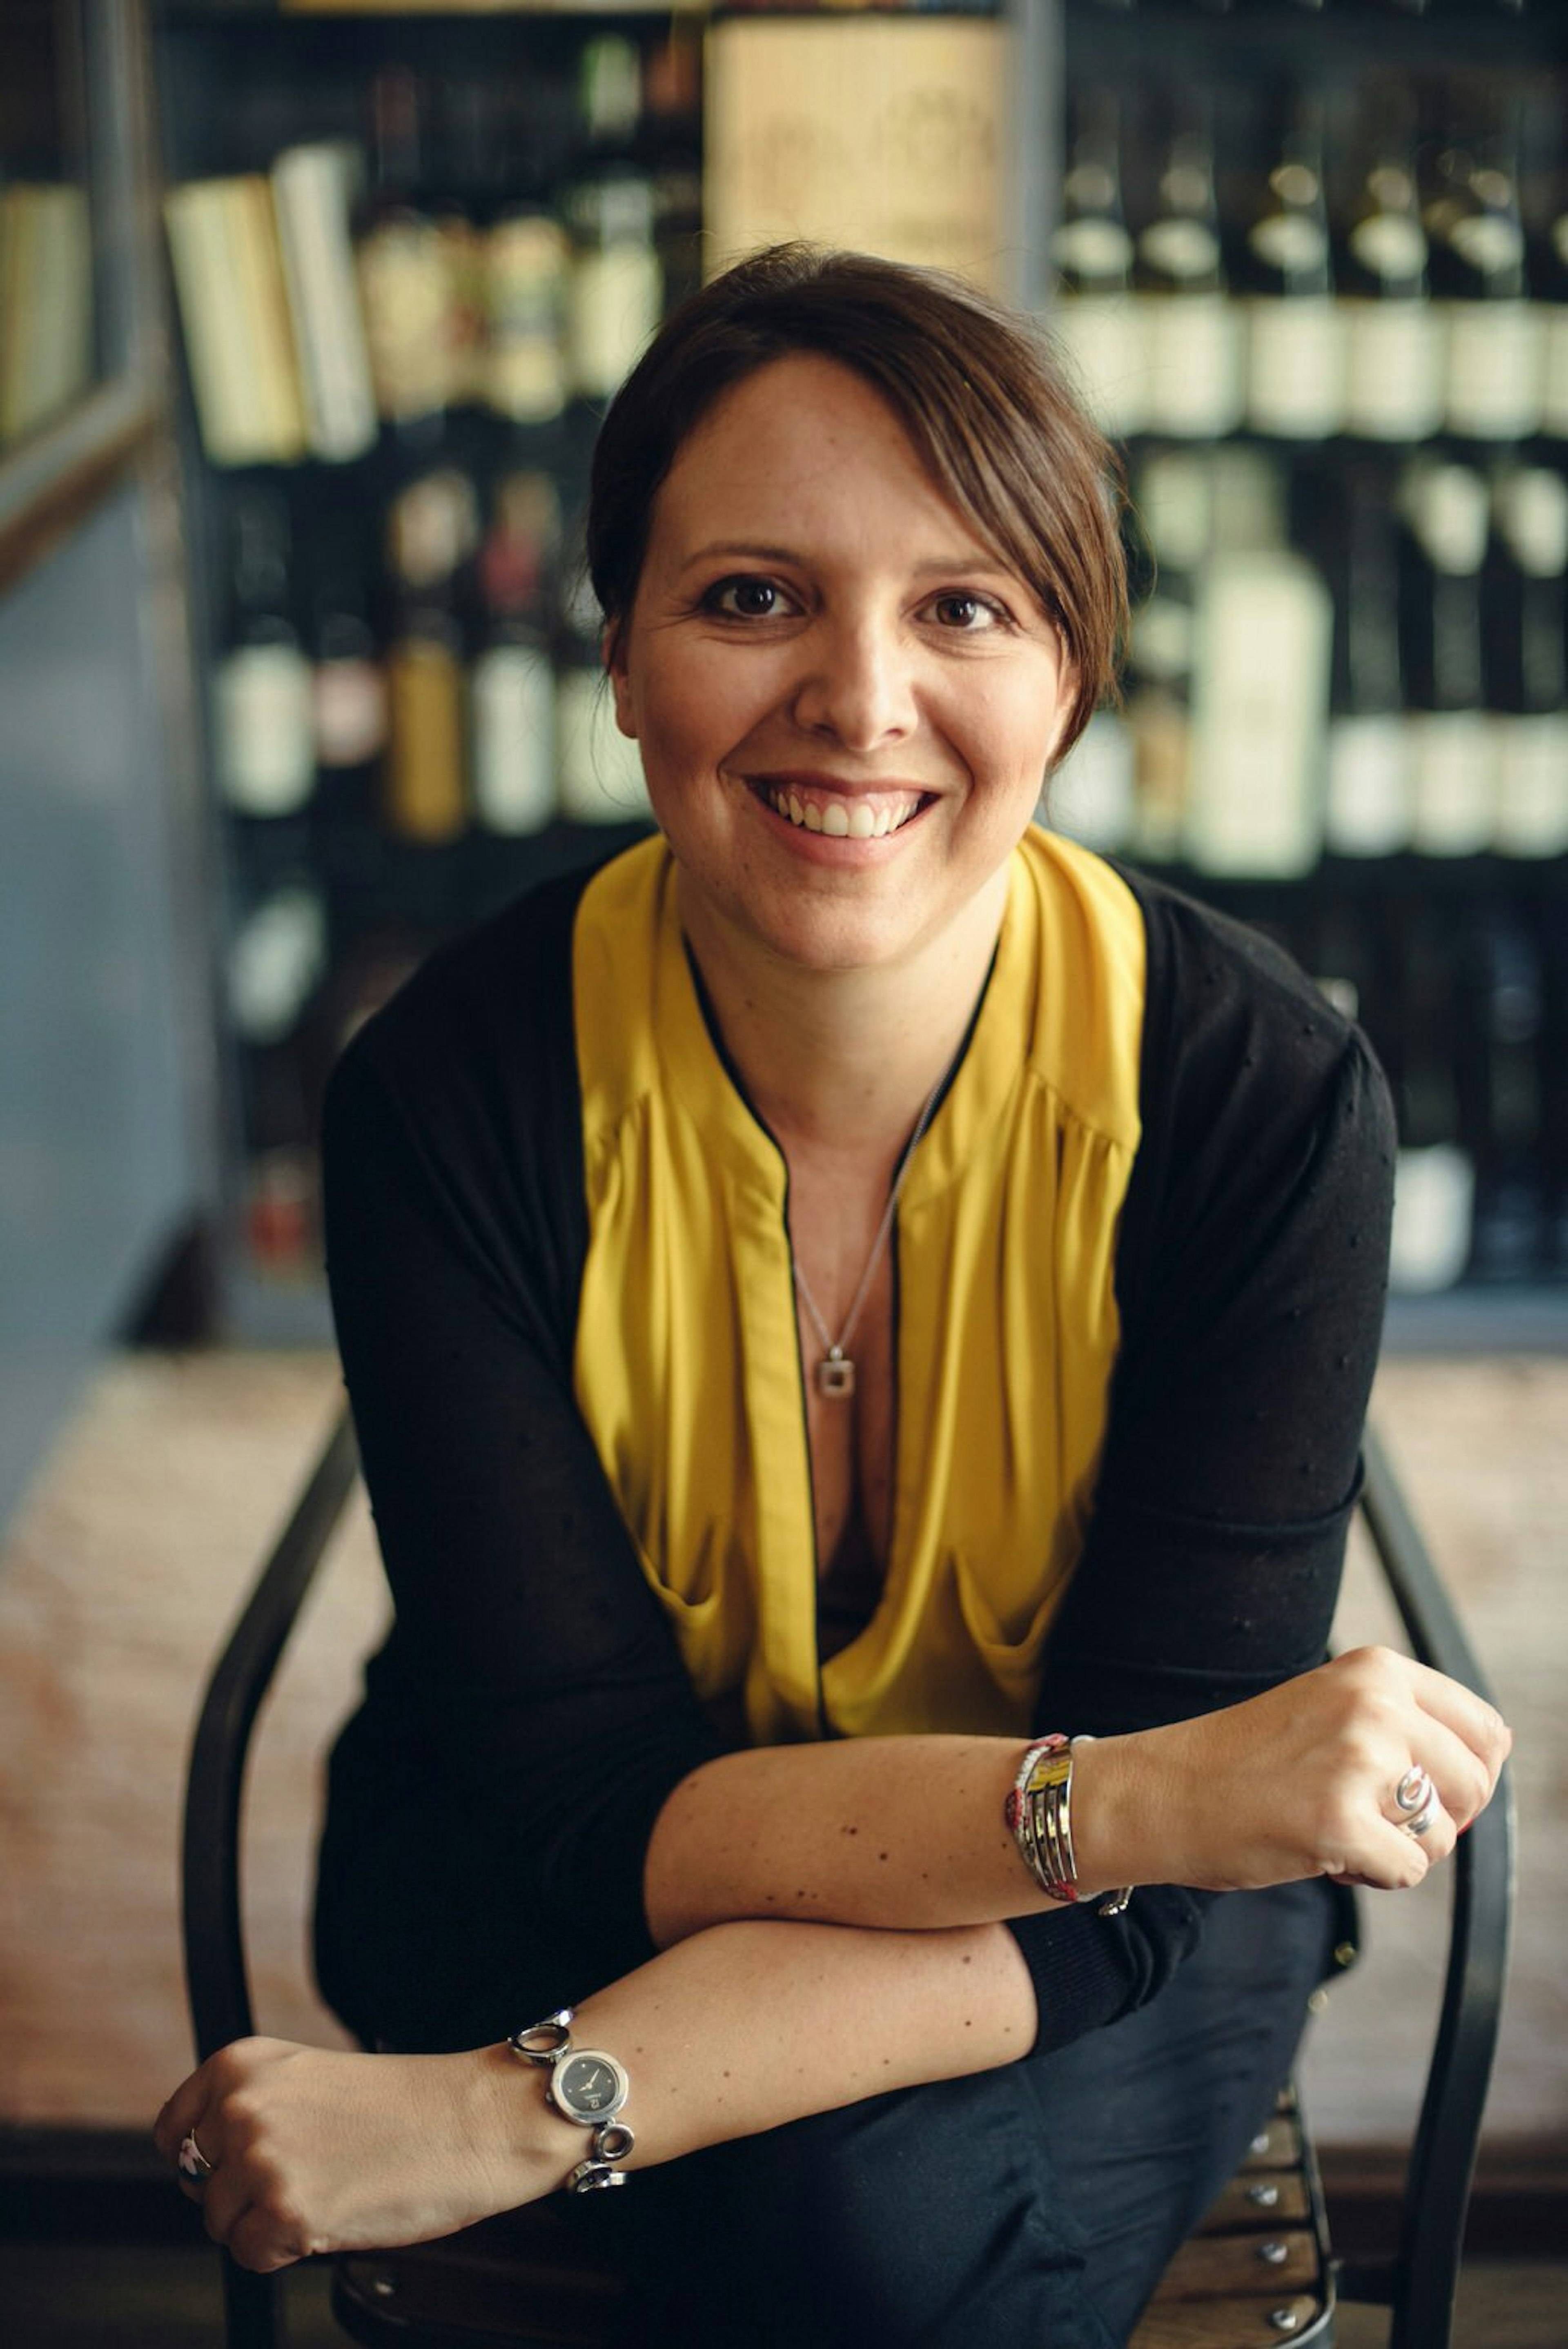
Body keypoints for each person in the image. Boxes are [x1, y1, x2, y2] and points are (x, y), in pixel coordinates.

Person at [156, 246, 1510, 2347]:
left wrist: (527, 2113)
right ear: (617, 656)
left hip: (1113, 1928)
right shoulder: (449, 1090)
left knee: (840, 2209)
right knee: (846, 2218)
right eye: (753, 596)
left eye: (964, 605)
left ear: (1074, 672)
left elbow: (1150, 1873)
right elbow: (590, 1803)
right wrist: (1151, 1793)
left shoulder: (1262, 1100)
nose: (861, 700)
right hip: (562, 1860)